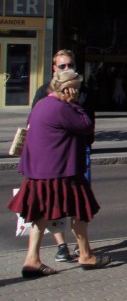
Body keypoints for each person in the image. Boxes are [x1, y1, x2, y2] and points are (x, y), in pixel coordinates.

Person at [7, 68, 110, 277]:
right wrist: (76, 104)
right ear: (68, 89)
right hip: (62, 171)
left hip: (39, 173)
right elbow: (86, 125)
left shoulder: (42, 104)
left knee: (40, 215)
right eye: (77, 89)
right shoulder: (62, 108)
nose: (78, 93)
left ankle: (32, 260)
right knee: (80, 213)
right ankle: (86, 255)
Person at [32, 49, 91, 263]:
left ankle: (78, 249)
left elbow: (89, 123)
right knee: (63, 205)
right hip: (56, 160)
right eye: (63, 66)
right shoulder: (45, 94)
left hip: (74, 154)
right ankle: (66, 247)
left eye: (71, 64)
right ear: (54, 69)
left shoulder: (81, 90)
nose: (68, 69)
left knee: (65, 207)